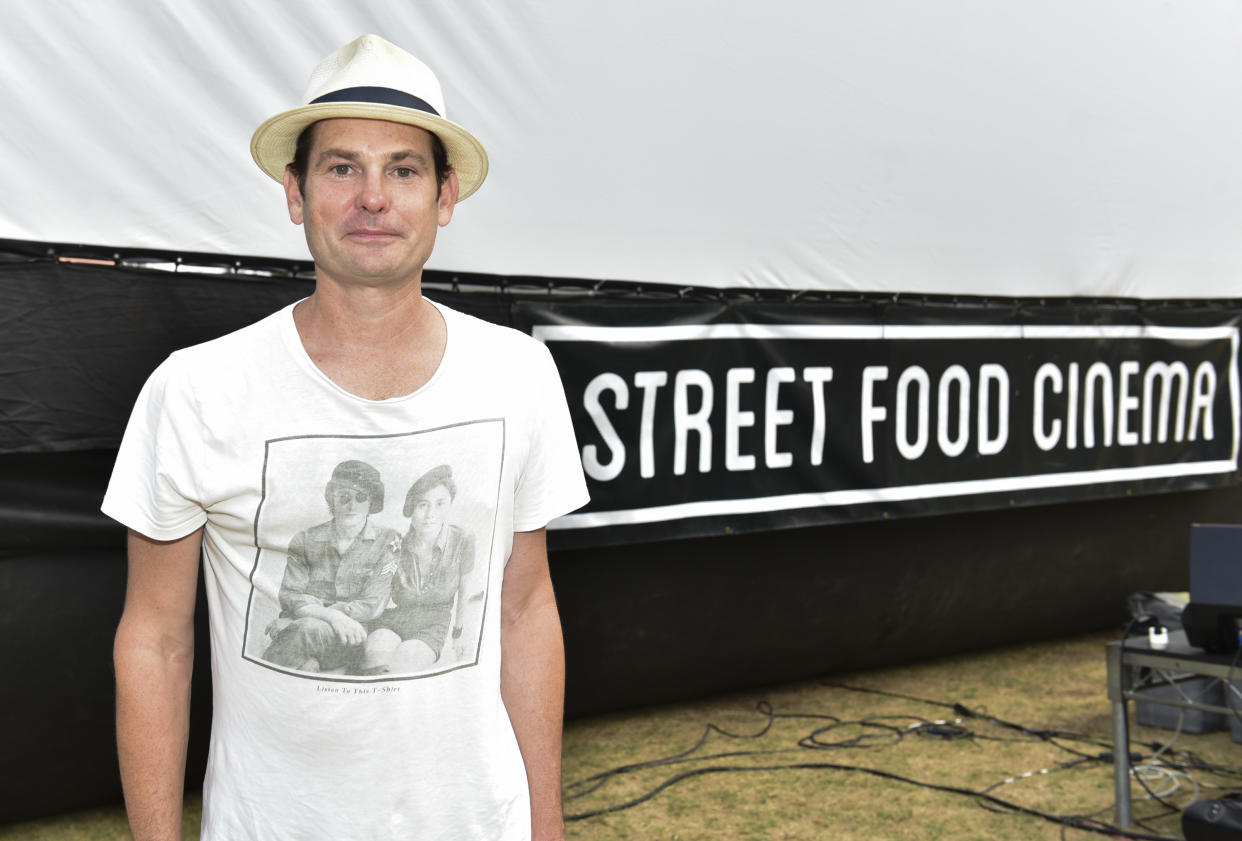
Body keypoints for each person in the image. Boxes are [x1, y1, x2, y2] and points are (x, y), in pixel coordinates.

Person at [105, 33, 588, 841]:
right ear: (295, 193)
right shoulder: (194, 391)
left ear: (445, 195)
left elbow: (525, 606)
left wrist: (546, 824)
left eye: (403, 169)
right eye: (341, 168)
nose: (373, 197)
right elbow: (154, 640)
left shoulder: (520, 374)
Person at [262, 459, 400, 672]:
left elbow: (373, 604)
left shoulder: (389, 541)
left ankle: (262, 682)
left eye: (360, 497)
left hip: (353, 635)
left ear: (371, 502)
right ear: (332, 500)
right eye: (343, 497)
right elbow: (290, 595)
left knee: (305, 629)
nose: (351, 505)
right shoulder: (305, 539)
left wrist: (308, 613)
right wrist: (332, 616)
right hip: (304, 628)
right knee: (305, 661)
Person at [363, 464, 479, 672]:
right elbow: (378, 590)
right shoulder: (394, 544)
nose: (430, 514)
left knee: (405, 663)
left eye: (440, 504)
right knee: (376, 659)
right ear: (411, 509)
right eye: (422, 505)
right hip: (396, 617)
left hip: (433, 623)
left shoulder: (463, 539)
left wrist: (458, 634)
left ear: (450, 504)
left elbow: (465, 590)